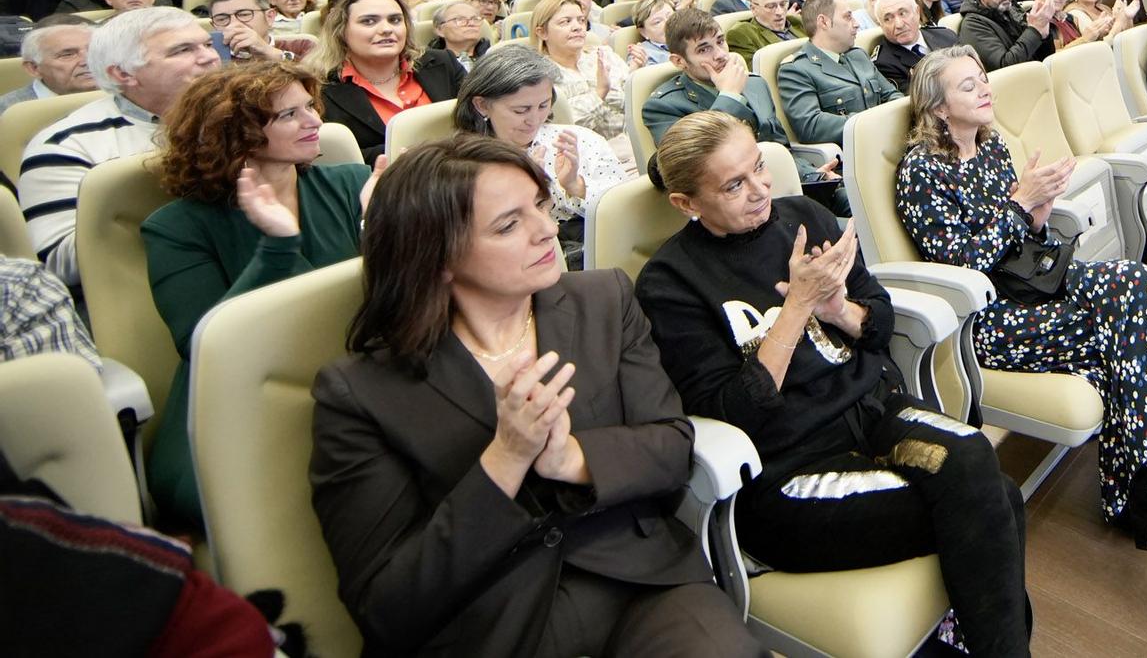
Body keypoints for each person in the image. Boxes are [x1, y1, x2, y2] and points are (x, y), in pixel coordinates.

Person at [310, 134, 757, 657]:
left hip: (639, 583)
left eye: (541, 205)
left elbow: (670, 446)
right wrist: (506, 459)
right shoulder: (361, 392)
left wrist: (572, 458)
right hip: (489, 621)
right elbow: (387, 604)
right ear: (436, 255)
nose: (547, 230)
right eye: (509, 224)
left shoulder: (604, 301)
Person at [634, 114, 1029, 654]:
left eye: (758, 168)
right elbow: (731, 413)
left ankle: (970, 643)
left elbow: (881, 325)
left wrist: (837, 307)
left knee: (976, 465)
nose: (759, 191)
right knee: (997, 500)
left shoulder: (803, 216)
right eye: (734, 185)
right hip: (788, 470)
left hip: (873, 415)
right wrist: (795, 307)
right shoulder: (671, 282)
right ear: (686, 203)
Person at [896, 48, 1147, 565]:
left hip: (1029, 283)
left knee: (1137, 285)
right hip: (985, 317)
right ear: (939, 108)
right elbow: (960, 263)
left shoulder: (990, 149)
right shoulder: (921, 170)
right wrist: (1019, 205)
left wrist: (1038, 210)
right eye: (968, 86)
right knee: (1131, 334)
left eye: (982, 79)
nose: (985, 90)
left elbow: (1018, 237)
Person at [141, 62, 378, 529]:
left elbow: (392, 301)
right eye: (289, 115)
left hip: (359, 378)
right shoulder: (176, 227)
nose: (315, 122)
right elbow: (205, 343)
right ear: (236, 134)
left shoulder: (354, 183)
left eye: (310, 106)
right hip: (243, 406)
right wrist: (276, 248)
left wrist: (385, 228)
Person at [19, 7, 221, 284]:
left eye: (208, 44)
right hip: (148, 284)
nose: (210, 57)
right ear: (123, 73)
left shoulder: (246, 114)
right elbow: (58, 264)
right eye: (182, 50)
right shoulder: (66, 145)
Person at [639, 9, 838, 197]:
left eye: (720, 42)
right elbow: (686, 168)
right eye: (704, 49)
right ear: (679, 61)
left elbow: (780, 147)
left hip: (789, 185)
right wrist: (729, 97)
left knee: (858, 203)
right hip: (735, 204)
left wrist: (811, 175)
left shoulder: (754, 83)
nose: (720, 54)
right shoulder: (663, 106)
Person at [455, 50, 624, 269]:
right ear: (482, 105)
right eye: (521, 110)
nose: (534, 119)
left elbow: (621, 210)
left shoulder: (580, 140)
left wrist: (576, 185)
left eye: (543, 105)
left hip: (598, 258)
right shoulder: (463, 162)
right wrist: (524, 191)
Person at [312, 0, 466, 162]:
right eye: (369, 21)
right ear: (341, 32)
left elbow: (476, 123)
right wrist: (405, 153)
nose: (386, 29)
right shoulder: (320, 88)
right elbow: (328, 159)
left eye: (395, 20)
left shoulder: (442, 63)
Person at [776, 0, 900, 144]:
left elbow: (892, 95)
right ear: (824, 22)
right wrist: (873, 122)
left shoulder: (858, 56)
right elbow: (810, 126)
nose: (856, 23)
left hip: (889, 141)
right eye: (848, 17)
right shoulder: (796, 70)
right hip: (851, 156)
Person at [529, 0, 628, 160]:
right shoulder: (537, 76)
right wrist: (599, 94)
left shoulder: (604, 55)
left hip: (631, 141)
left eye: (581, 20)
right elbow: (559, 127)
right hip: (584, 158)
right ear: (542, 32)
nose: (577, 27)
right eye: (565, 22)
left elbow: (633, 103)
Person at [959, 0, 1058, 70]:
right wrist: (1034, 30)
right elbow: (1004, 67)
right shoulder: (973, 25)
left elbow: (1044, 57)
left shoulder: (1011, 11)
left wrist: (1044, 35)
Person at [870, 0, 957, 94]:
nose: (899, 24)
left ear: (917, 12)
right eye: (888, 19)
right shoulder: (883, 64)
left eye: (903, 13)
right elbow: (921, 98)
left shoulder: (946, 35)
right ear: (881, 25)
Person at [0, 18, 94, 115]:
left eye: (94, 51)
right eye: (67, 55)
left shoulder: (110, 97)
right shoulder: (7, 113)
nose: (88, 60)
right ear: (34, 68)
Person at [208, 0, 315, 62]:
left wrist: (268, 51)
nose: (234, 24)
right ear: (214, 26)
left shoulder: (302, 46)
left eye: (244, 14)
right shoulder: (208, 58)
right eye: (221, 19)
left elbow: (317, 79)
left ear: (270, 17)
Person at [430, 0, 491, 71]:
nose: (471, 23)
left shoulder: (493, 56)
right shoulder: (431, 65)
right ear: (439, 30)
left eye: (475, 19)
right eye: (460, 19)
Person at [626, 0, 677, 68]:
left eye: (671, 16)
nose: (668, 23)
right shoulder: (642, 53)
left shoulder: (691, 38)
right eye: (657, 22)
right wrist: (638, 68)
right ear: (643, 32)